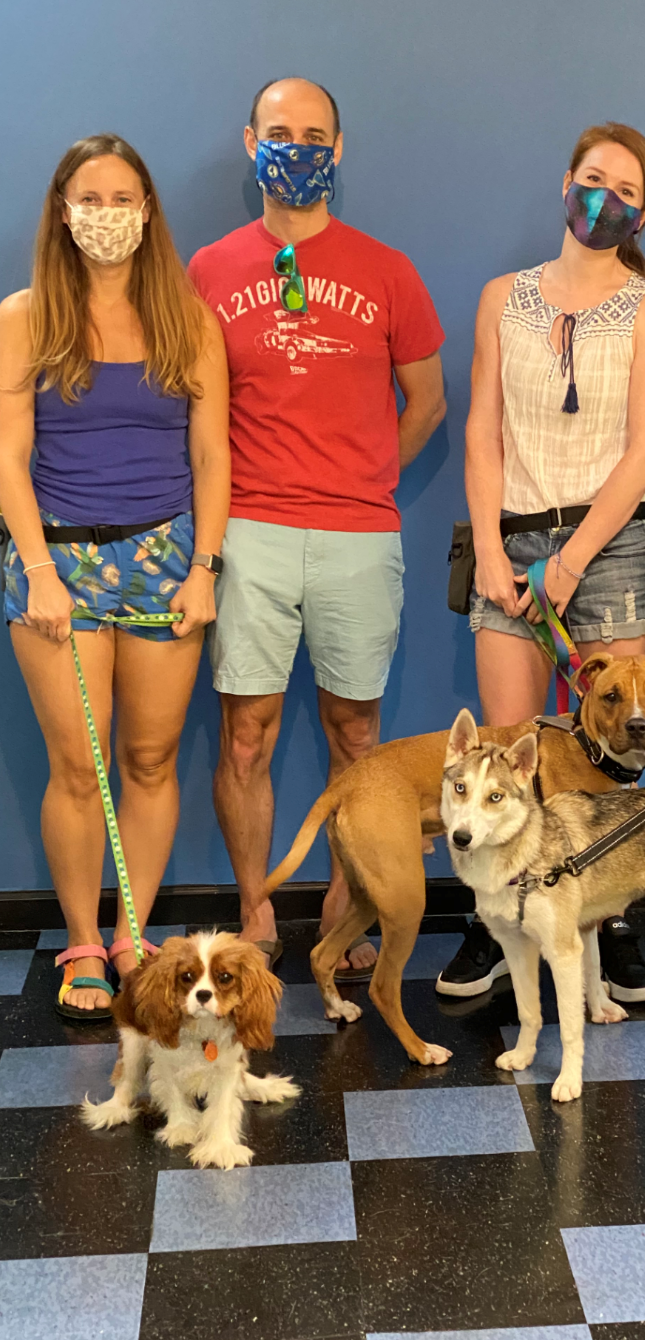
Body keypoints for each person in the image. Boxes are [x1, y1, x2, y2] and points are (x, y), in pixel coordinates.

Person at [188, 78, 446, 971]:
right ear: (250, 140)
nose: (295, 147)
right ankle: (254, 906)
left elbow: (428, 400)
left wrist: (368, 473)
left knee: (358, 734)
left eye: (313, 134)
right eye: (278, 132)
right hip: (250, 529)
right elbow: (196, 413)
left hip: (359, 535)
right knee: (246, 730)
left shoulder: (387, 269)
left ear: (339, 148)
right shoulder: (209, 271)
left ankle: (349, 893)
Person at [436, 122, 645, 1003]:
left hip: (609, 550)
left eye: (624, 190)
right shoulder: (504, 297)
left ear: (643, 212)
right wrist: (494, 546)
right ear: (564, 181)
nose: (602, 199)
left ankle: (607, 918)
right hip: (512, 543)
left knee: (614, 749)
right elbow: (482, 430)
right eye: (591, 178)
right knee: (507, 749)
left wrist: (570, 563)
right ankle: (494, 922)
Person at [0, 134, 230, 1020]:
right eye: (88, 197)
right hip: (55, 561)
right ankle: (84, 942)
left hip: (167, 561)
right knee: (76, 765)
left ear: (148, 211)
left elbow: (212, 455)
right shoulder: (25, 316)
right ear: (62, 210)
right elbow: (10, 455)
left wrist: (204, 567)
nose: (106, 214)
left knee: (148, 755)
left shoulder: (186, 316)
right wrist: (37, 570)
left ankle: (134, 934)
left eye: (123, 197)